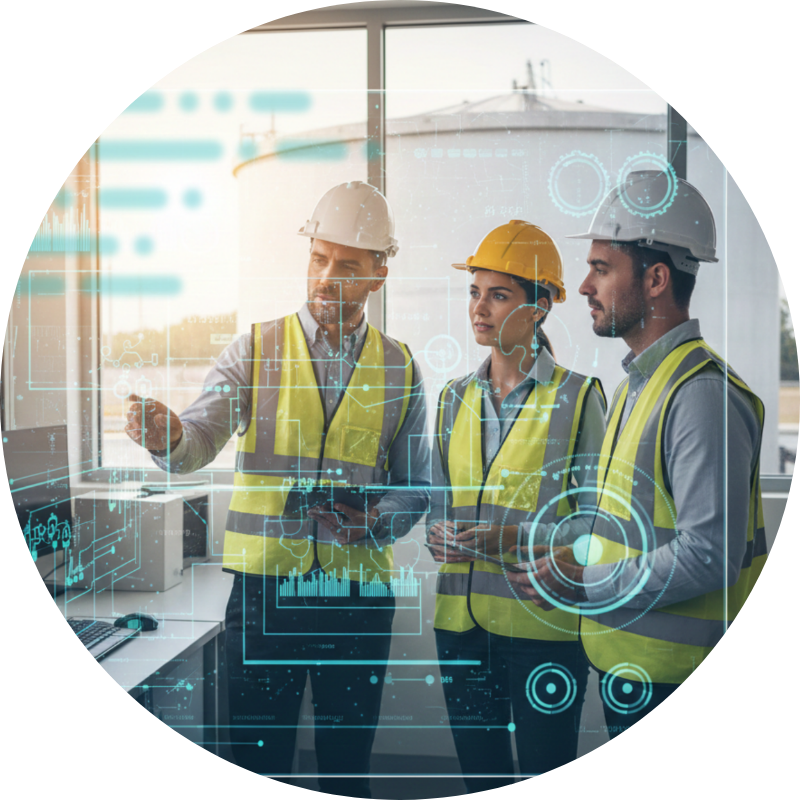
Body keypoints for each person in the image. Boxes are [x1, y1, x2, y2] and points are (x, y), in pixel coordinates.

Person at [124, 181, 430, 796]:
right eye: (318, 258)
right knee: (261, 764)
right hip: (266, 601)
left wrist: (378, 521)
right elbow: (199, 440)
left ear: (378, 274)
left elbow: (417, 486)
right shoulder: (255, 350)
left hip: (358, 601)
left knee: (347, 771)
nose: (325, 277)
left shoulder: (400, 368)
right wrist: (169, 436)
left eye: (346, 265)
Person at [506, 171, 767, 739]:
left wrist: (585, 583)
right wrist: (555, 549)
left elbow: (710, 553)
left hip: (674, 674)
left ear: (654, 279)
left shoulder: (701, 395)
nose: (582, 287)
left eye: (601, 269)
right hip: (634, 668)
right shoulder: (635, 387)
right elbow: (628, 519)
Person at [426, 220, 606, 787]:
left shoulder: (580, 398)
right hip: (459, 625)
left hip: (544, 625)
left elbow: (599, 523)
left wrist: (516, 539)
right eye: (475, 292)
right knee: (479, 777)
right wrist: (435, 532)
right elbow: (440, 497)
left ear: (542, 307)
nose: (479, 308)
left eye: (499, 295)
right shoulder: (453, 397)